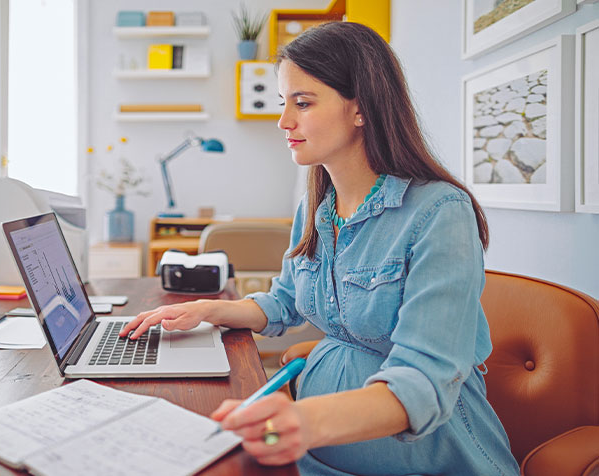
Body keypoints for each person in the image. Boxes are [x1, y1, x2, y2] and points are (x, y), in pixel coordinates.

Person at [120, 21, 519, 476]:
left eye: (303, 103)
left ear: (361, 109)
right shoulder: (317, 205)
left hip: (425, 457)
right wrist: (208, 311)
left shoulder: (439, 212)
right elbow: (286, 302)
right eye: (282, 103)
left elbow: (423, 382)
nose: (283, 121)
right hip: (314, 446)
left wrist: (304, 421)